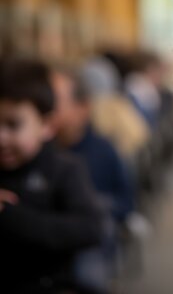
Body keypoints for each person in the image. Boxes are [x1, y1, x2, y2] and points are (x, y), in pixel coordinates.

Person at [0, 57, 104, 293]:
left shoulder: (65, 169)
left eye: (13, 125)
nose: (1, 138)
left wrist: (8, 216)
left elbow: (90, 228)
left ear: (47, 125)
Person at [51, 67, 136, 293]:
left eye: (55, 101)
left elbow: (126, 203)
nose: (47, 109)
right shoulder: (41, 151)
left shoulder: (103, 150)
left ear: (84, 107)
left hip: (89, 243)